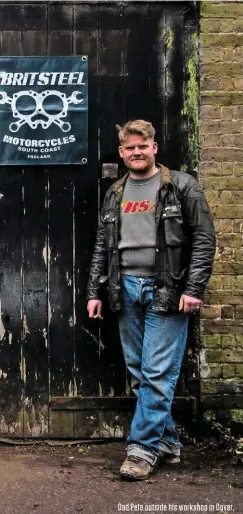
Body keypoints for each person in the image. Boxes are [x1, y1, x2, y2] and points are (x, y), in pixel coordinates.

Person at [87, 120, 215, 481]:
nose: (136, 152)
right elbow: (103, 245)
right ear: (123, 152)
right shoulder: (116, 192)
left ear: (154, 147)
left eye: (142, 145)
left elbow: (204, 240)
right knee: (141, 374)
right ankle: (168, 443)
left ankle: (142, 450)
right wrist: (94, 292)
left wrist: (194, 289)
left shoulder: (182, 187)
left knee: (158, 372)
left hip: (168, 290)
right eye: (129, 147)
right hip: (125, 289)